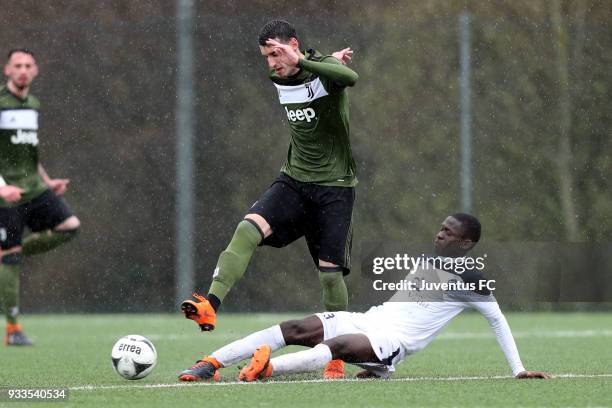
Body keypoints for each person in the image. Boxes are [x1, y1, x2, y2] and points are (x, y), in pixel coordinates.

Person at [180, 20, 358, 378]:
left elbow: (348, 78)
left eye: (277, 53)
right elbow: (323, 69)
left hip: (335, 187)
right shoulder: (281, 77)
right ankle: (210, 304)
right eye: (266, 56)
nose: (272, 63)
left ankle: (335, 356)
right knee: (247, 229)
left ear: (293, 44)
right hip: (293, 181)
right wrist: (319, 61)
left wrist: (322, 62)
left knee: (329, 276)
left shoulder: (321, 71)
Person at [177, 213, 551, 381]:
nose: (440, 234)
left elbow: (497, 321)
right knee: (296, 327)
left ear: (466, 243)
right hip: (370, 319)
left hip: (393, 343)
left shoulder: (472, 277)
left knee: (338, 345)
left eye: (449, 233)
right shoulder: (425, 258)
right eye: (440, 228)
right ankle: (210, 362)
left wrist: (518, 369)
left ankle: (268, 369)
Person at [0, 49, 80, 346]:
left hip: (33, 188)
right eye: (17, 65)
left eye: (28, 65)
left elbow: (29, 152)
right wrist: (1, 187)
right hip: (6, 195)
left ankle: (11, 254)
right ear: (7, 70)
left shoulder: (33, 104)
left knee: (70, 226)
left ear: (36, 71)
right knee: (9, 259)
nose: (23, 70)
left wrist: (48, 181)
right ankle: (12, 330)